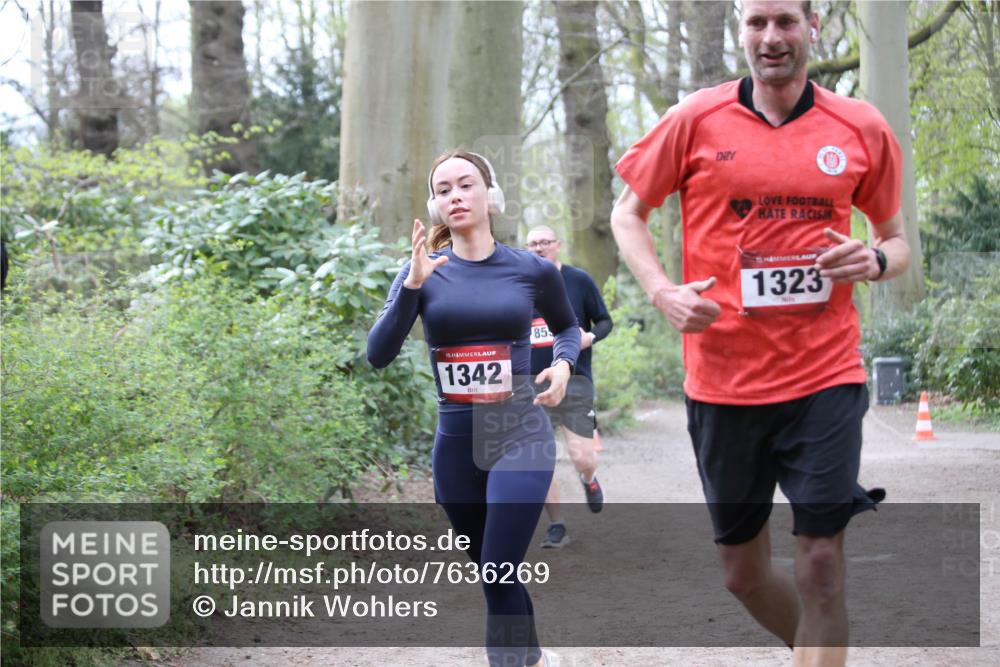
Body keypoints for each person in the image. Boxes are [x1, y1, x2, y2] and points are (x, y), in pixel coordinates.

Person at [609, 2, 910, 665]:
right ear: (741, 31)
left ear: (813, 28)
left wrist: (875, 259)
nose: (772, 38)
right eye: (757, 23)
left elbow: (895, 240)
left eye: (786, 21)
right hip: (723, 381)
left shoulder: (858, 126)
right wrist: (662, 292)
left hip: (824, 376)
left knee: (822, 563)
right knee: (742, 575)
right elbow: (627, 213)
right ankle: (820, 645)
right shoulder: (695, 119)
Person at [367, 150, 579, 667]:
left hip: (519, 430)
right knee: (493, 572)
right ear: (435, 206)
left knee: (500, 568)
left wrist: (565, 364)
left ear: (490, 195)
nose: (455, 195)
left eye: (465, 185)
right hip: (456, 443)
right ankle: (532, 659)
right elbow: (378, 354)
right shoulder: (421, 271)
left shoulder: (531, 269)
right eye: (443, 190)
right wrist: (412, 287)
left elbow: (567, 327)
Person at [524, 226, 613, 548]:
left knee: (582, 456)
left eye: (545, 242)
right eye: (532, 243)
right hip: (533, 384)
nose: (539, 248)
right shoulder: (520, 284)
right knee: (540, 458)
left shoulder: (578, 280)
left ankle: (588, 478)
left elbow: (604, 320)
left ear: (557, 245)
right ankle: (557, 525)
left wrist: (589, 337)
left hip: (575, 381)